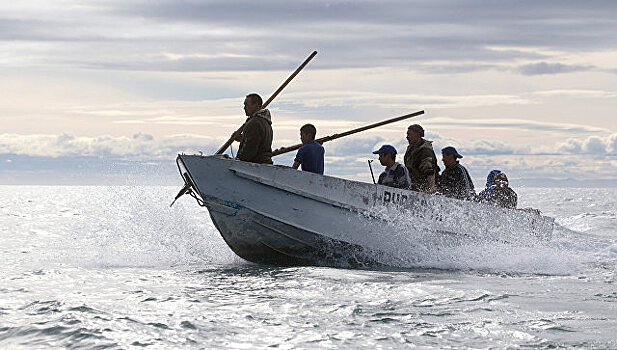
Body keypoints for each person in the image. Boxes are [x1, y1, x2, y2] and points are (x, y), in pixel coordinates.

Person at [233, 93, 273, 164]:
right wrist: (242, 139)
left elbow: (250, 149)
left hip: (255, 165)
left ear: (256, 105)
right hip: (264, 163)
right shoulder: (265, 122)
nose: (244, 108)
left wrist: (239, 160)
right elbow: (257, 140)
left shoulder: (254, 123)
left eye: (246, 105)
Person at [403, 124, 440, 192]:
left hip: (422, 189)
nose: (407, 137)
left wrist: (431, 191)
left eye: (409, 134)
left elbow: (429, 172)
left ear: (418, 134)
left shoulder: (425, 151)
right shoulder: (410, 149)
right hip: (412, 187)